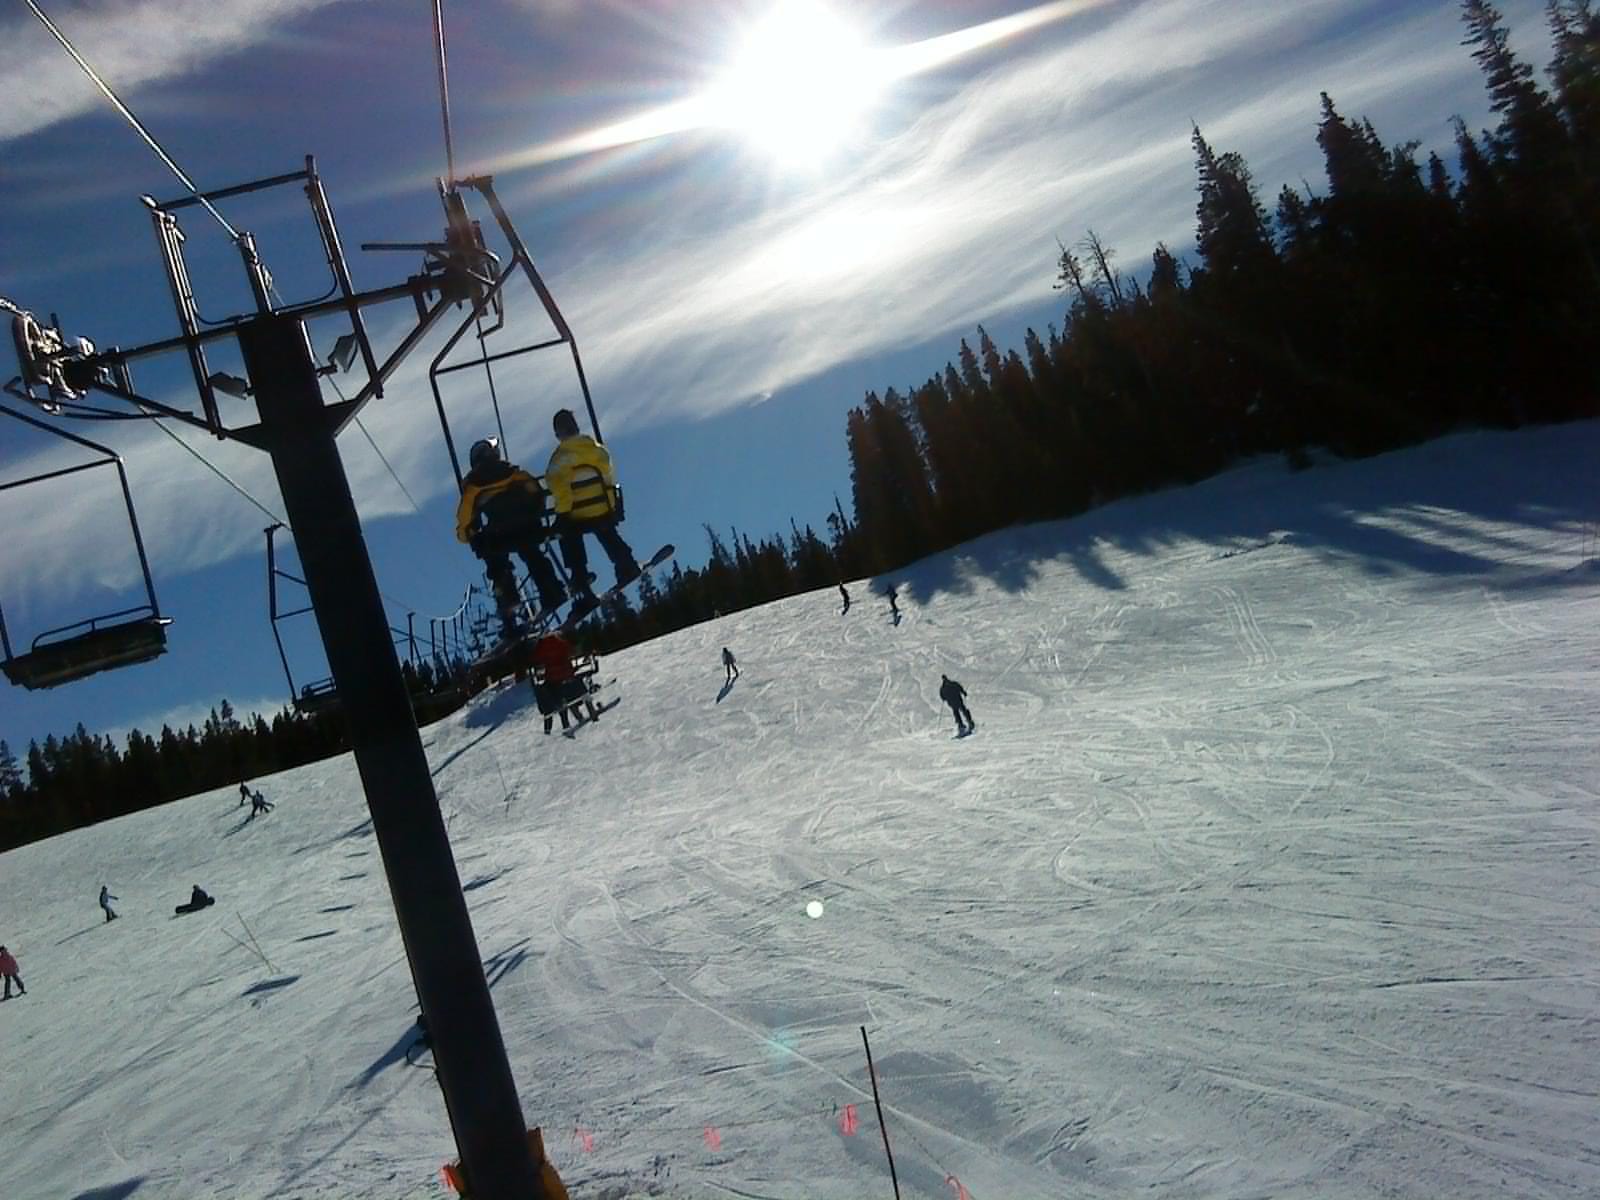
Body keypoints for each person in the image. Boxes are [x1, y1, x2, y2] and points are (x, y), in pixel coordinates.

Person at [455, 436, 568, 638]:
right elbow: (536, 490)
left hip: (499, 537)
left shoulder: (472, 488)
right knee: (533, 554)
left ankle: (508, 605)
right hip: (527, 529)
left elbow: (465, 519)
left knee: (497, 565)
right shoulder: (514, 473)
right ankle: (551, 591)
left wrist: (468, 536)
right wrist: (536, 512)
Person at [545, 408, 640, 622]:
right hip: (601, 509)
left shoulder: (559, 460)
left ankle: (579, 579)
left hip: (576, 515)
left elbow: (559, 489)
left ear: (558, 434)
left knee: (567, 534)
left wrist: (565, 512)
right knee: (605, 529)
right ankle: (625, 563)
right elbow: (607, 475)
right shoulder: (597, 450)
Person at [532, 632, 598, 734]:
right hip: (567, 673)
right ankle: (591, 709)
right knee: (578, 688)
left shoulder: (541, 647)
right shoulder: (559, 641)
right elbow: (570, 650)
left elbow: (536, 659)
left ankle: (577, 717)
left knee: (564, 696)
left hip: (554, 677)